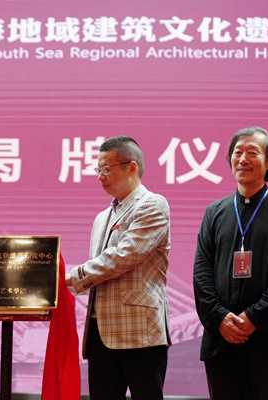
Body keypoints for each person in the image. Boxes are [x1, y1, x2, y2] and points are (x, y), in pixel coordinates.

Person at [193, 126, 268, 400]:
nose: (242, 159)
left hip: (267, 340)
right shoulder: (215, 211)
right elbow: (201, 272)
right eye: (237, 152)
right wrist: (219, 317)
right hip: (221, 340)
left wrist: (253, 317)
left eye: (252, 153)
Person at [65, 136, 171, 400]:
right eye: (98, 169)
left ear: (131, 167)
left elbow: (122, 257)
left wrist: (69, 278)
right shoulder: (102, 217)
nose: (100, 176)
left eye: (106, 169)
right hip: (101, 332)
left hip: (140, 333)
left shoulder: (152, 204)